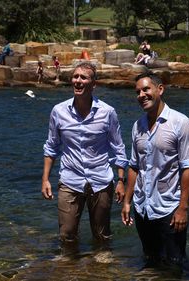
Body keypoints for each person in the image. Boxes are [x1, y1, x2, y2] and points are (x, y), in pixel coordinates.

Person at [41, 62, 128, 246]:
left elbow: (118, 148)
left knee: (102, 234)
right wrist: (45, 179)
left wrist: (121, 180)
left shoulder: (107, 112)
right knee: (67, 234)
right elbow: (51, 146)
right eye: (75, 77)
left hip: (101, 181)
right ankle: (71, 268)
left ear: (93, 84)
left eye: (83, 77)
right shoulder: (58, 111)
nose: (78, 81)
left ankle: (100, 269)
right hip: (70, 180)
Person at [121, 72, 189, 273]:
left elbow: (188, 168)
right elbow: (134, 166)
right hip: (142, 207)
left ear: (160, 89)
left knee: (175, 263)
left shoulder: (181, 123)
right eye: (138, 91)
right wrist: (128, 202)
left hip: (169, 208)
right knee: (151, 258)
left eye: (146, 89)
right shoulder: (138, 126)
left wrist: (183, 208)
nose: (141, 95)